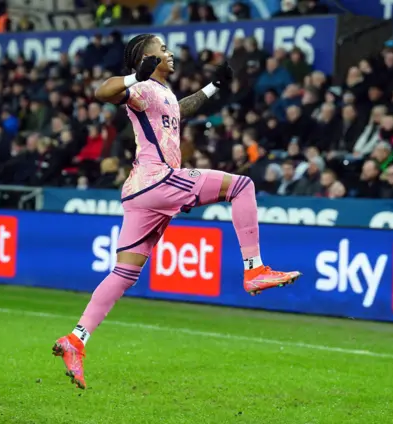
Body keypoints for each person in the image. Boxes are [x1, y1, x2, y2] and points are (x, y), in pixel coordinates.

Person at [52, 34, 301, 389]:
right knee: (241, 186)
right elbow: (102, 92)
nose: (170, 53)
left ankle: (75, 340)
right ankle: (254, 270)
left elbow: (178, 110)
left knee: (124, 273)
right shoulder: (139, 88)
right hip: (158, 180)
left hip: (139, 193)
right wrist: (135, 76)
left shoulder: (162, 93)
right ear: (146, 56)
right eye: (163, 49)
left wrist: (213, 88)